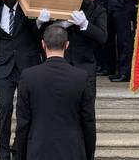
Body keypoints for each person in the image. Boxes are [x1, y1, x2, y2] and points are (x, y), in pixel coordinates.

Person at [15, 25, 96, 160]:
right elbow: (88, 122)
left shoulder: (28, 76)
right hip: (73, 150)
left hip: (38, 149)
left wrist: (21, 155)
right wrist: (89, 154)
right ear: (67, 45)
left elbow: (22, 123)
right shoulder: (81, 76)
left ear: (43, 44)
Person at [0, 0, 41, 160]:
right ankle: (3, 153)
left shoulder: (27, 13)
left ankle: (19, 149)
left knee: (25, 111)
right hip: (4, 70)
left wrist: (39, 22)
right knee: (4, 108)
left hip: (27, 67)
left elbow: (37, 37)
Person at [38, 0, 107, 101]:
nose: (86, 0)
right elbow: (45, 33)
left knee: (87, 106)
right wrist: (44, 22)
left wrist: (85, 25)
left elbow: (102, 37)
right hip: (61, 64)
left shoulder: (99, 11)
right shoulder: (64, 6)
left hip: (85, 65)